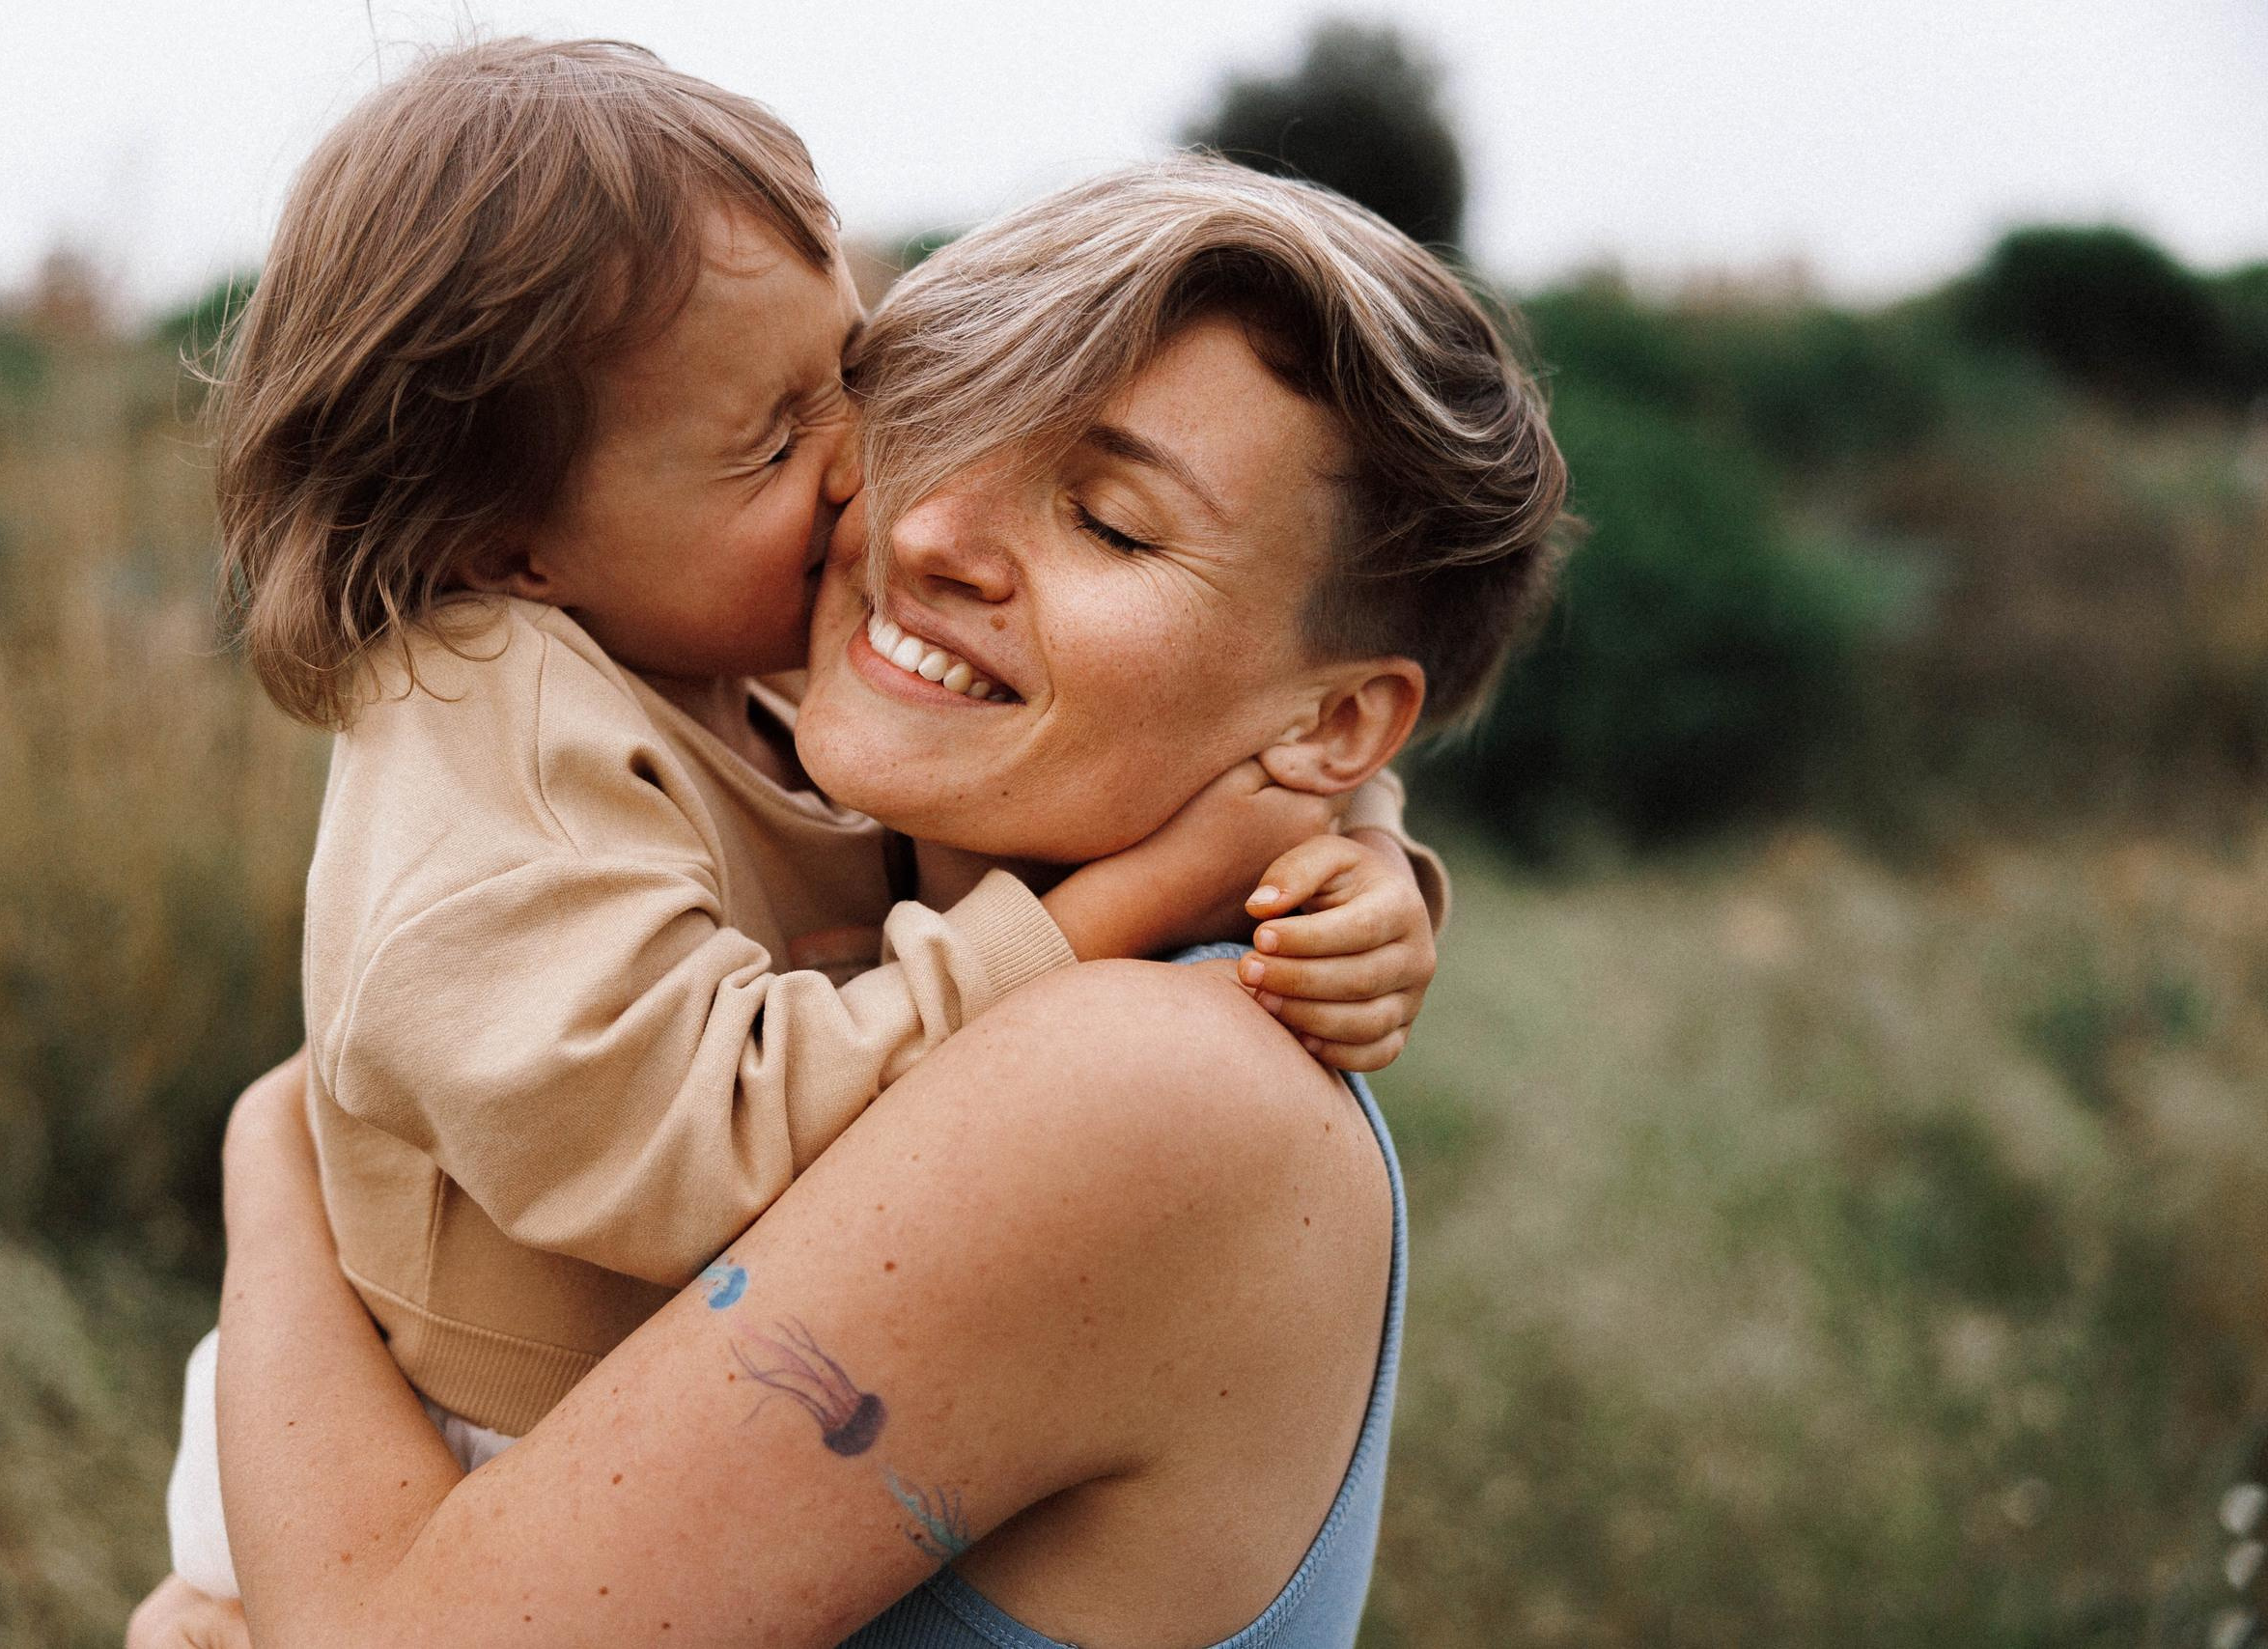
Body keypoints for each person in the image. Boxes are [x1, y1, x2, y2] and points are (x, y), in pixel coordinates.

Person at [130, 154, 1567, 1649]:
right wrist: (1360, 846)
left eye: (1114, 524)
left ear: (1334, 728)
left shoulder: (1153, 1078)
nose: (926, 531)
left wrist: (274, 1160)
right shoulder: (735, 765)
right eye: (930, 425)